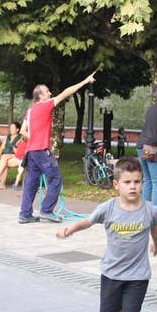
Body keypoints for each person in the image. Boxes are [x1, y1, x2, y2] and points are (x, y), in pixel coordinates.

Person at [56, 157, 157, 312]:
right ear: (116, 185)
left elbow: (156, 229)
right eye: (127, 182)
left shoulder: (150, 210)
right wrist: (70, 229)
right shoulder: (108, 208)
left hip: (138, 276)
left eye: (137, 182)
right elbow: (88, 221)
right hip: (111, 273)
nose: (133, 186)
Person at [18, 72, 96, 224]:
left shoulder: (30, 110)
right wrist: (85, 81)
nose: (50, 93)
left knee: (31, 184)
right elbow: (66, 92)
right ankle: (46, 210)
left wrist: (34, 137)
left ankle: (25, 214)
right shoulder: (45, 105)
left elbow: (22, 131)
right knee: (55, 179)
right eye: (47, 91)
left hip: (31, 152)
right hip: (41, 151)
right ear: (41, 96)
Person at [0, 122, 23, 189]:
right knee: (3, 162)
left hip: (15, 156)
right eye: (10, 128)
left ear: (17, 129)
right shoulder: (8, 136)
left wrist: (14, 150)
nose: (10, 129)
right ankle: (1, 184)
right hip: (6, 157)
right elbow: (2, 147)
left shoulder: (20, 138)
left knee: (3, 158)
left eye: (12, 128)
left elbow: (20, 151)